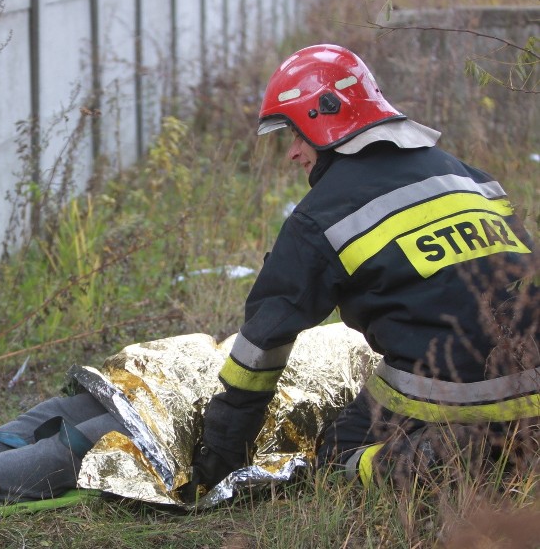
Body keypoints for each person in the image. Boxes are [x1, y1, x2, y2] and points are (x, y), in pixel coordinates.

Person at [186, 44, 539, 494]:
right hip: (533, 379)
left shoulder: (321, 217)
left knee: (336, 454)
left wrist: (221, 452)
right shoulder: (469, 176)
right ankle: (511, 445)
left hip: (448, 391)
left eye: (296, 135)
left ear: (324, 118)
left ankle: (425, 461)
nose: (293, 154)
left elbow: (262, 342)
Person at [0, 323, 379, 511]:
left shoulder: (387, 387)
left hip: (227, 422)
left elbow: (314, 437)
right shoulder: (374, 328)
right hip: (204, 379)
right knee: (64, 408)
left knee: (92, 437)